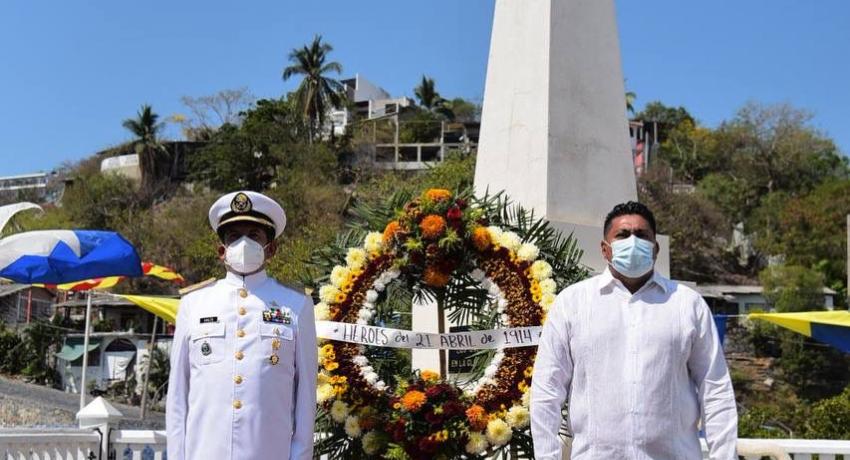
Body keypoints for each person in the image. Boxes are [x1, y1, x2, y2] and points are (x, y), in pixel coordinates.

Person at [530, 201, 737, 459]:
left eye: (642, 235)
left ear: (655, 248)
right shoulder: (573, 304)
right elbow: (546, 392)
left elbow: (716, 389)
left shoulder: (687, 304)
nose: (633, 241)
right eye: (623, 235)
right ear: (605, 249)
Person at [167, 191, 317, 460]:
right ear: (221, 251)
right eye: (234, 237)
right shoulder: (194, 303)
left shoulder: (296, 305)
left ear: (271, 249)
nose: (244, 243)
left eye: (254, 235)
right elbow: (178, 396)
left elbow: (306, 397)